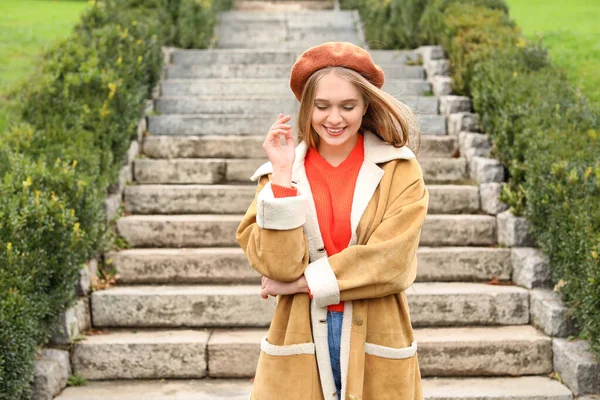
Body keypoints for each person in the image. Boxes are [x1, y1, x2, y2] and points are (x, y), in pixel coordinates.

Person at [236, 41, 429, 400]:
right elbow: (278, 265)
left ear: (366, 106)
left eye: (348, 106)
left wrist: (298, 285)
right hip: (299, 333)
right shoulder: (277, 176)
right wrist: (282, 177)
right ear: (307, 107)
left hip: (377, 331)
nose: (334, 118)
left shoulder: (399, 170)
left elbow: (391, 262)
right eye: (322, 106)